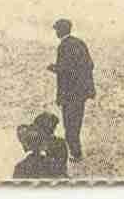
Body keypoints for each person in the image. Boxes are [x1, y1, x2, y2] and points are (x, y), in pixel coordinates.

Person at [48, 18, 95, 160]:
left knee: (70, 126)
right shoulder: (79, 43)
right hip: (81, 92)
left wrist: (54, 68)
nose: (55, 32)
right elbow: (90, 65)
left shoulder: (63, 46)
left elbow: (65, 70)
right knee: (76, 123)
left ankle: (76, 153)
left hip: (69, 93)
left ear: (60, 31)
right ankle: (75, 151)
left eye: (56, 29)